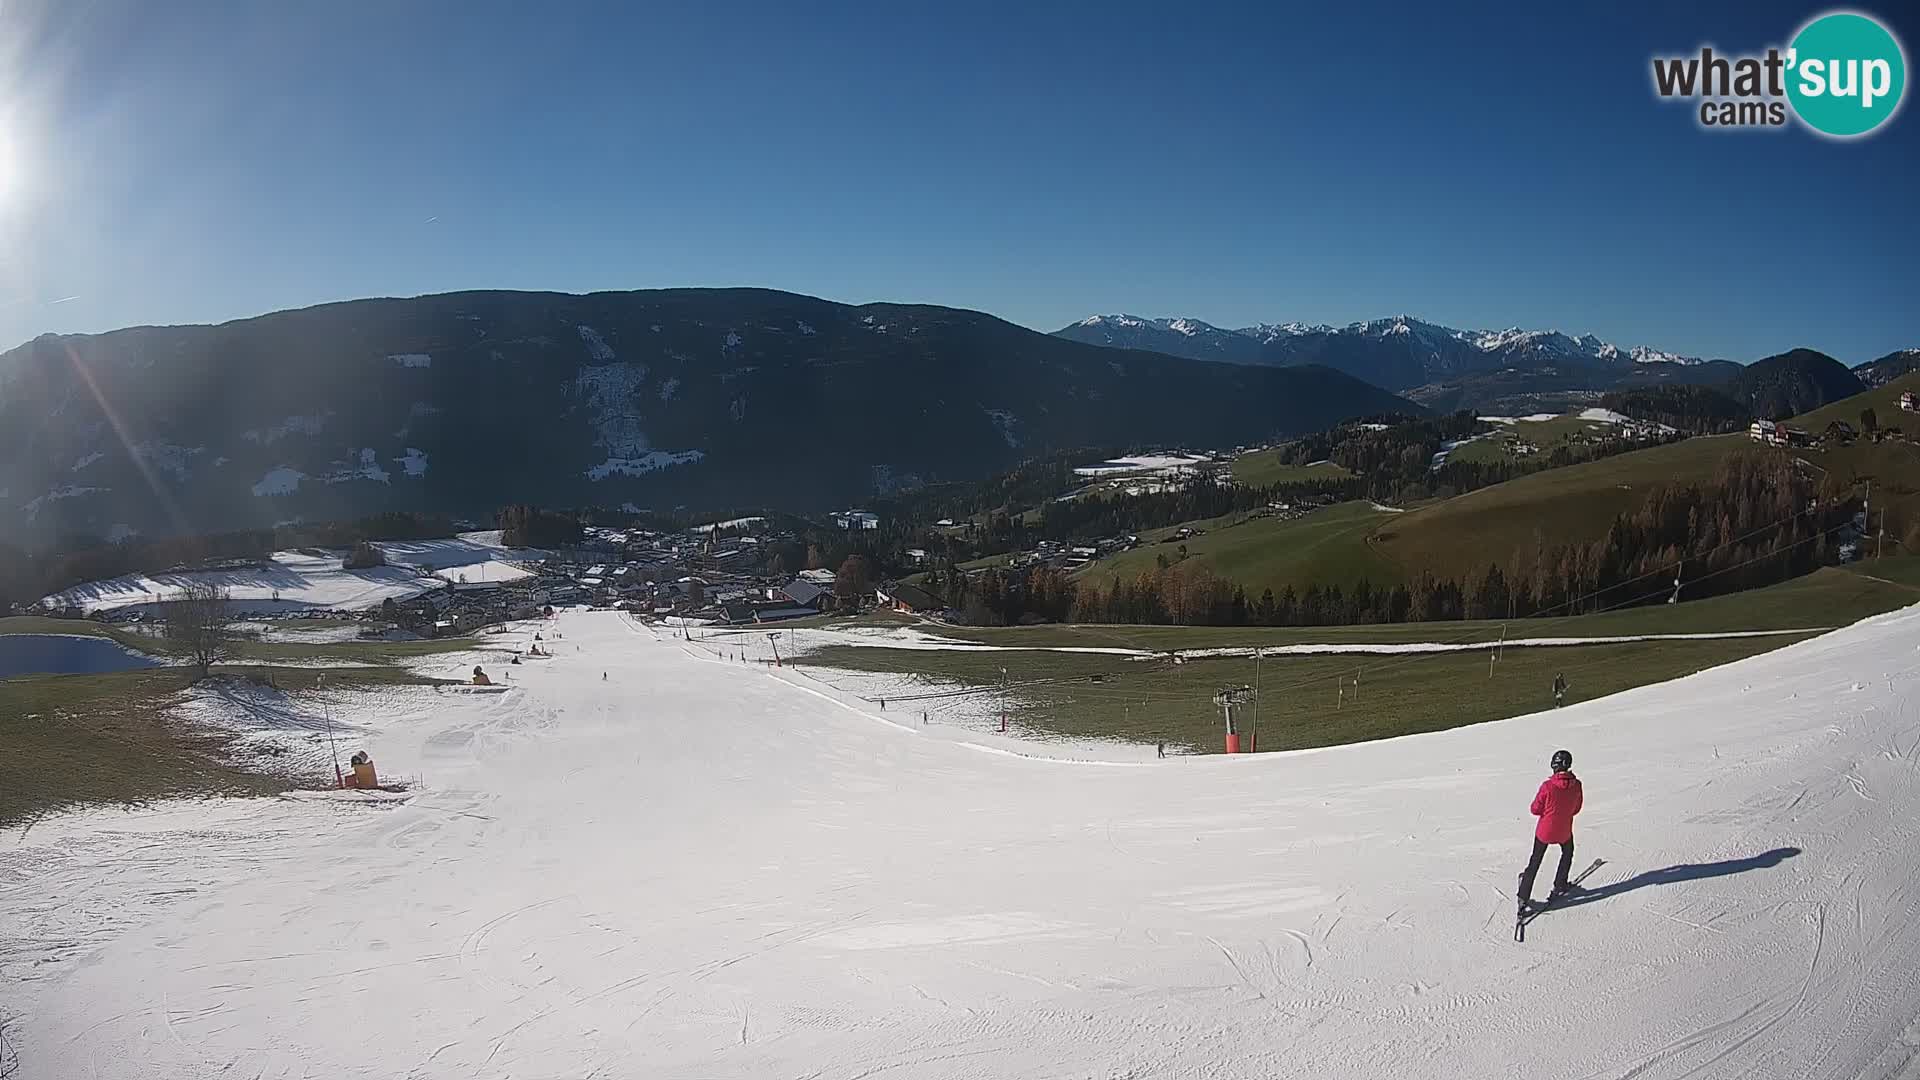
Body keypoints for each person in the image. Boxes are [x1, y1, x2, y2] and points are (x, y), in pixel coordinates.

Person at [1518, 749, 1583, 912]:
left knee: (1535, 861)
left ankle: (1523, 897)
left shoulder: (1547, 787)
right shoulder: (1577, 785)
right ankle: (1560, 884)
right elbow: (1576, 808)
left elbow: (1534, 809)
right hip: (1564, 831)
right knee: (1567, 853)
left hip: (1545, 832)